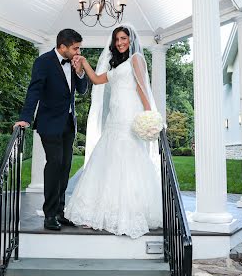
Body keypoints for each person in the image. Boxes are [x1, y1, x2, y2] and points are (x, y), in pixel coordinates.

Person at [65, 24, 163, 239]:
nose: (119, 43)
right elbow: (98, 80)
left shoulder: (136, 58)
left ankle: (128, 212)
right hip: (114, 117)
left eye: (123, 38)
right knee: (107, 159)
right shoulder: (117, 64)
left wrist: (148, 115)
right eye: (117, 39)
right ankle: (98, 212)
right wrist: (84, 62)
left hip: (129, 115)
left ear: (130, 39)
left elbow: (141, 87)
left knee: (127, 159)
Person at [14, 29, 88, 231]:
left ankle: (60, 212)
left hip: (68, 123)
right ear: (62, 46)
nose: (78, 51)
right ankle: (49, 215)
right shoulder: (43, 62)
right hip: (49, 123)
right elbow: (34, 90)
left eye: (79, 47)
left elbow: (82, 90)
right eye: (75, 48)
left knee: (64, 167)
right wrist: (25, 118)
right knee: (54, 164)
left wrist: (80, 71)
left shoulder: (75, 62)